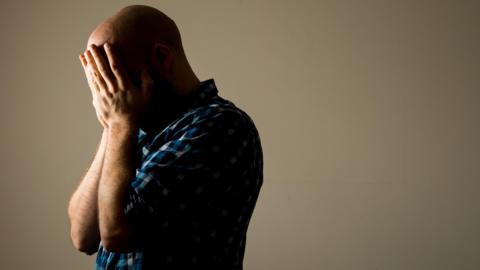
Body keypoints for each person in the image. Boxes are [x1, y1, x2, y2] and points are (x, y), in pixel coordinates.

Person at [67, 4, 263, 269]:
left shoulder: (220, 125)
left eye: (114, 76)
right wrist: (113, 125)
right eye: (100, 81)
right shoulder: (128, 128)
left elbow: (116, 232)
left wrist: (119, 123)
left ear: (161, 59)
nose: (108, 92)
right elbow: (83, 235)